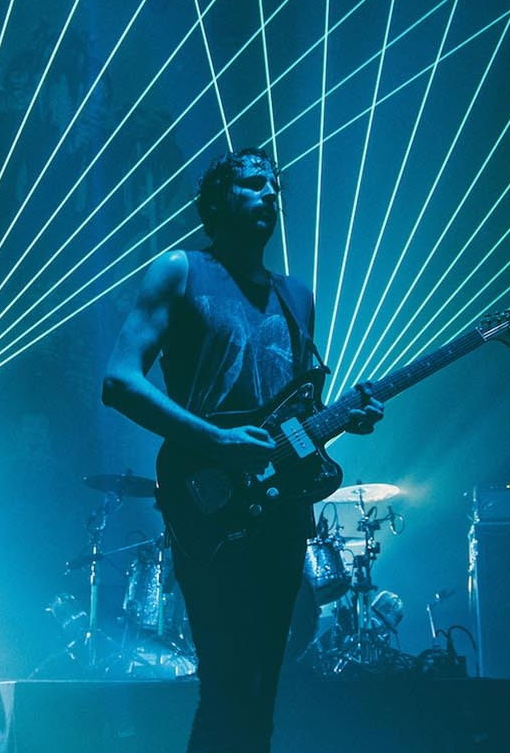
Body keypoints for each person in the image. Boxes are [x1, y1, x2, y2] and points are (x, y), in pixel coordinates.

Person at [102, 148, 381, 753]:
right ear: (216, 203)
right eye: (253, 185)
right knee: (227, 683)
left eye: (274, 186)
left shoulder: (296, 296)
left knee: (263, 689)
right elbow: (120, 380)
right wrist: (218, 440)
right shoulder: (178, 271)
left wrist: (341, 421)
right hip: (208, 497)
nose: (269, 195)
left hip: (278, 508)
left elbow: (296, 417)